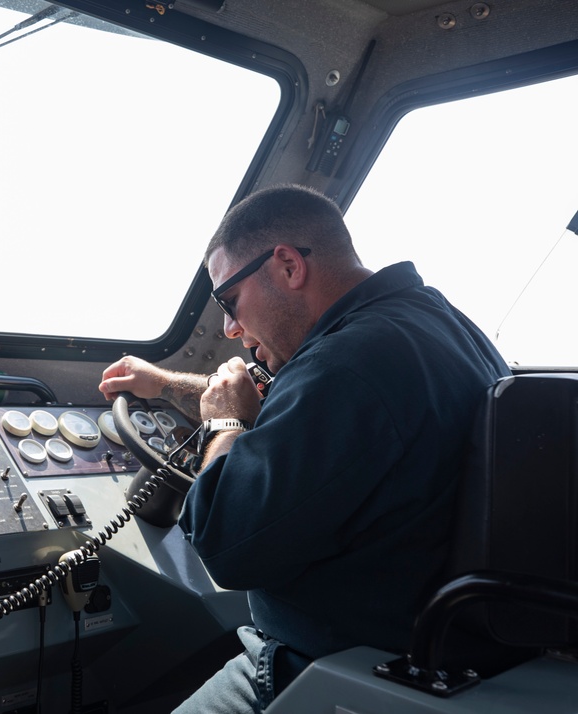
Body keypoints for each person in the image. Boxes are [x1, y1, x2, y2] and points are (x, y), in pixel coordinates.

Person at [99, 184, 510, 712]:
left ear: (288, 266)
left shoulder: (347, 366)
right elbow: (278, 400)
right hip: (460, 655)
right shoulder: (432, 324)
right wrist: (165, 383)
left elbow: (227, 546)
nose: (229, 329)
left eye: (229, 301)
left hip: (325, 666)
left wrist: (224, 423)